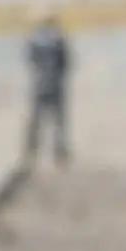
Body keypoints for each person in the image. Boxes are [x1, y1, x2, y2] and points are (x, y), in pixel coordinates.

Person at [24, 11, 71, 165]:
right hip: (55, 84)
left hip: (40, 84)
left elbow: (31, 61)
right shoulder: (59, 40)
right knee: (58, 121)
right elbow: (66, 63)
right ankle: (59, 153)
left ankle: (32, 152)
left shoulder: (34, 40)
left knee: (37, 121)